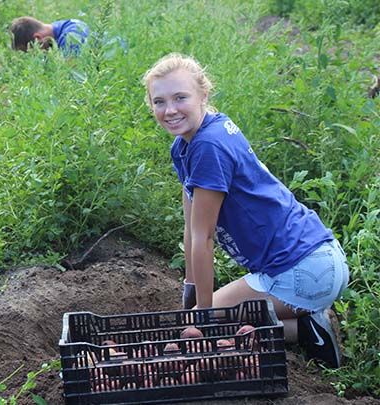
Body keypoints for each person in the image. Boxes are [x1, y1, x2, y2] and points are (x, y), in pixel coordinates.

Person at [142, 53, 349, 369]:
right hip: (313, 256)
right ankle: (304, 319)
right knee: (208, 312)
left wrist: (203, 313)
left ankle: (306, 328)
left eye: (180, 97)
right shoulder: (187, 142)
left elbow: (204, 236)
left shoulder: (207, 146)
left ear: (203, 95)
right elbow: (190, 222)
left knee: (214, 322)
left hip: (304, 267)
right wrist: (191, 288)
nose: (169, 110)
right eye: (159, 101)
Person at [10, 16, 89, 56]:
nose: (33, 55)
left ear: (38, 38)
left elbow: (71, 75)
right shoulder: (57, 29)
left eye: (29, 51)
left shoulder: (72, 36)